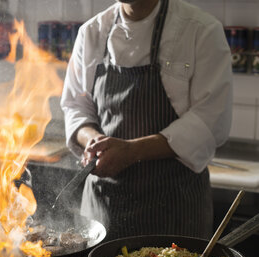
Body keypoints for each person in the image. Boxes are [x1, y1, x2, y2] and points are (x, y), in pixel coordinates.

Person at [61, 0, 232, 240]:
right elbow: (75, 107)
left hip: (174, 210)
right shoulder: (92, 32)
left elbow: (211, 120)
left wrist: (132, 151)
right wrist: (94, 140)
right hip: (104, 209)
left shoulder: (199, 30)